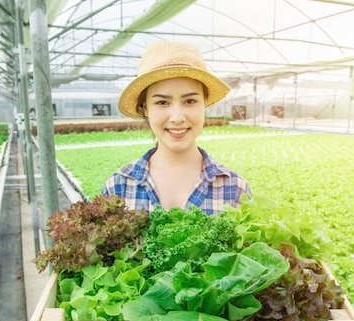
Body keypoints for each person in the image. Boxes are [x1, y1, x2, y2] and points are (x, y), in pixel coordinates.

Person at [101, 40, 251, 215]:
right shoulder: (118, 187)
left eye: (190, 101)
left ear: (204, 105)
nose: (177, 118)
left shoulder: (234, 187)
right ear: (145, 108)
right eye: (162, 102)